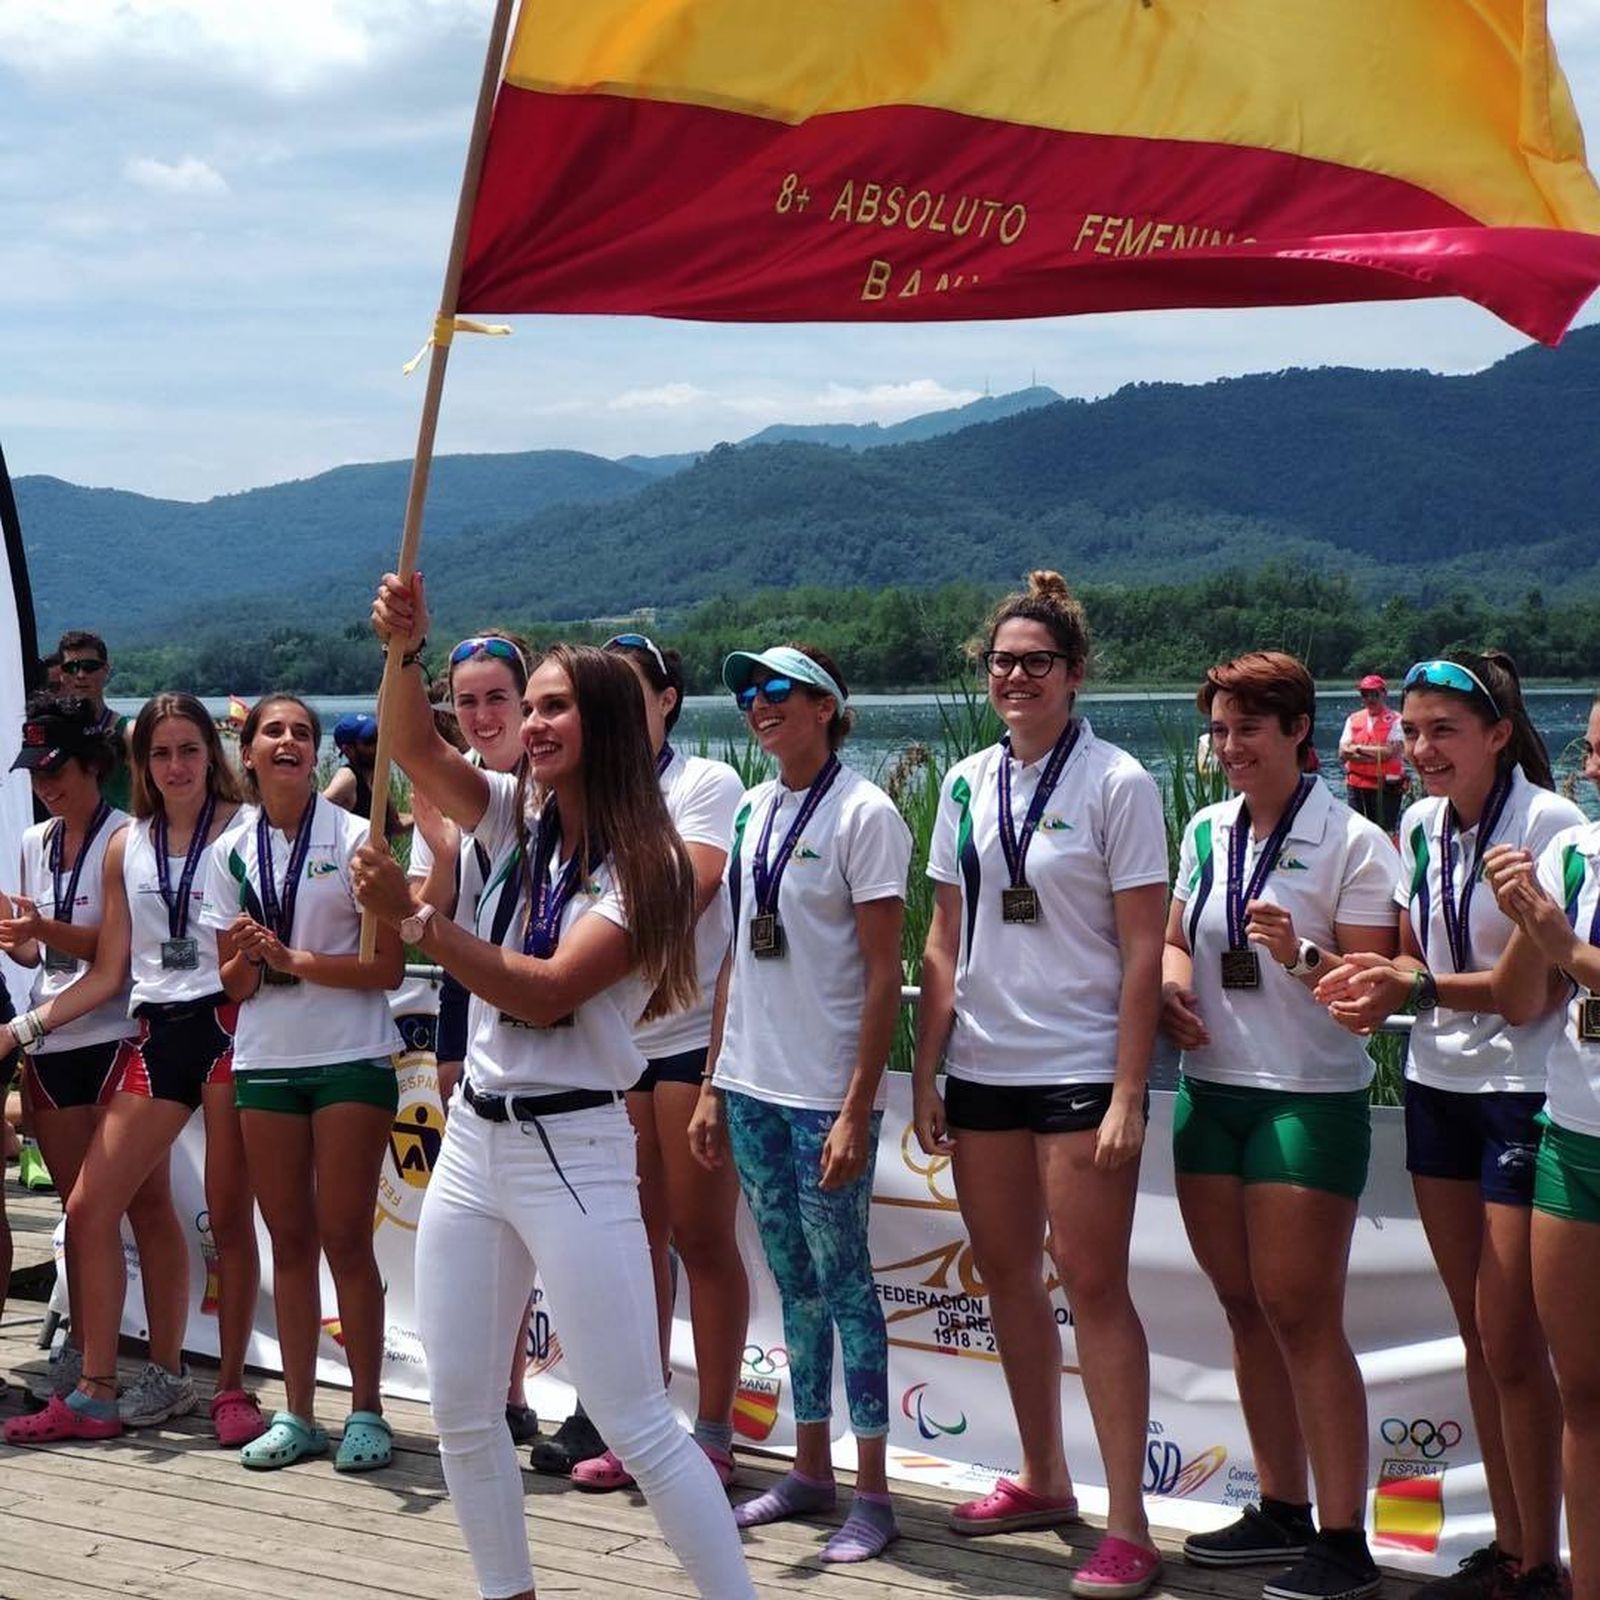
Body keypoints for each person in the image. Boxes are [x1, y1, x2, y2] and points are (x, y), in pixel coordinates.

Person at [358, 572, 758, 1600]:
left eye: (554, 705)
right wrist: (406, 648)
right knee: (459, 1411)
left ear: (610, 722)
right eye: (525, 704)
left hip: (575, 1152)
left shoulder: (651, 862)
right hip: (474, 1148)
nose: (530, 722)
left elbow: (542, 996)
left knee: (632, 1417)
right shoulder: (511, 817)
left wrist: (417, 924)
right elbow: (411, 746)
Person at [910, 573, 1167, 1597]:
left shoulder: (1118, 782)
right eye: (1001, 662)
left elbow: (1145, 952)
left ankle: (1132, 1523)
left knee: (1094, 1287)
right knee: (1008, 1276)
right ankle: (1043, 1477)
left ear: (1073, 673)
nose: (1015, 677)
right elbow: (941, 937)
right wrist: (925, 1067)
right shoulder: (967, 780)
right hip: (980, 1067)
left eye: (1035, 663)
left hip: (1076, 1070)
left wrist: (1127, 1090)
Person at [1317, 654, 1577, 1600]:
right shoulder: (1419, 824)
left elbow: (1523, 993)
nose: (1420, 751)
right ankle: (1510, 1551)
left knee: (1513, 1340)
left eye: (1444, 733)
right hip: (1434, 1084)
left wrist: (1413, 986)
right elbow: (1412, 962)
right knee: (1476, 1332)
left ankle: (1541, 1563)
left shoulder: (1551, 824)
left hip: (1522, 1092)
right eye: (1412, 732)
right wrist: (1339, 973)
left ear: (1499, 735)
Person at [1161, 652, 1399, 1600]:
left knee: (1303, 1313)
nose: (1228, 749)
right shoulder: (1207, 828)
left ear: (1299, 730)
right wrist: (1175, 996)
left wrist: (1299, 954)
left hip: (1307, 1096)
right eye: (1218, 732)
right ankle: (1281, 1509)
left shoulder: (1353, 841)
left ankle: (1345, 1541)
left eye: (1248, 730)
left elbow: (1371, 998)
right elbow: (1179, 939)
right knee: (1242, 1307)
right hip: (1210, 1091)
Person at [689, 642, 912, 1564]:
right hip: (752, 1090)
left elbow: (880, 975)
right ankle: (808, 1467)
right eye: (747, 693)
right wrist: (711, 1081)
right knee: (796, 1285)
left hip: (825, 1095)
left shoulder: (867, 813)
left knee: (850, 1285)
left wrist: (860, 1107)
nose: (758, 705)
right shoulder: (751, 809)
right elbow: (738, 952)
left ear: (827, 704)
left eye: (777, 690)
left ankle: (874, 1491)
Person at [1, 694, 263, 1445]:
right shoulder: (130, 845)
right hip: (155, 1031)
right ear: (141, 765)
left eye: (188, 750)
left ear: (211, 755)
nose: (176, 766)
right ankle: (96, 1389)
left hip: (225, 1023)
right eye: (161, 753)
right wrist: (25, 1000)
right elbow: (105, 963)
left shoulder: (244, 831)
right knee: (87, 1208)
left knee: (225, 1215)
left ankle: (228, 1388)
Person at [200, 693, 405, 1472]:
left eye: (302, 733)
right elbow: (232, 987)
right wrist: (250, 958)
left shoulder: (358, 839)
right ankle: (298, 1412)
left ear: (314, 755)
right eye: (273, 732)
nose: (288, 741)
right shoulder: (230, 850)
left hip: (351, 1056)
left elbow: (386, 969)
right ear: (247, 752)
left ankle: (367, 1410)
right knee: (287, 1239)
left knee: (346, 1235)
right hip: (267, 1062)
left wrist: (294, 961)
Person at [565, 632, 749, 1493]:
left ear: (666, 700)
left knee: (703, 1239)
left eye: (628, 691)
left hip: (686, 1042)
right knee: (634, 1244)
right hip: (610, 1047)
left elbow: (698, 886)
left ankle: (712, 1433)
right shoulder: (585, 788)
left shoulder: (704, 782)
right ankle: (637, 1422)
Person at [407, 636, 543, 1452]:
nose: (484, 715)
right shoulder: (455, 792)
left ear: (529, 703)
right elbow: (437, 913)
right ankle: (506, 1391)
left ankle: (600, 1407)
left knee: (548, 1223)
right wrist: (445, 844)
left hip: (555, 1019)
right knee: (486, 1220)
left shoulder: (557, 783)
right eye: (468, 702)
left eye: (499, 698)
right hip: (470, 1003)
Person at [1484, 691, 1600, 1600]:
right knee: (1585, 1395)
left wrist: (1566, 942)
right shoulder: (1576, 852)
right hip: (1574, 1137)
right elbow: (1525, 1002)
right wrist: (1526, 920)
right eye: (1589, 752)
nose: (1590, 771)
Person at [0, 696, 140, 1399]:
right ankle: (84, 1350)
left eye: (56, 770)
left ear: (93, 765)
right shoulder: (35, 842)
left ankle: (128, 1361)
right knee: (75, 1213)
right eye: (36, 773)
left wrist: (44, 934)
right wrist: (16, 933)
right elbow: (34, 957)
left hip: (109, 1036)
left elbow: (113, 957)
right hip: (50, 1046)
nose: (46, 785)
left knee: (118, 1212)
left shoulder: (125, 838)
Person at [55, 630, 134, 811]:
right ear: (62, 674)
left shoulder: (128, 732)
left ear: (106, 670)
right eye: (71, 667)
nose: (81, 674)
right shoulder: (55, 731)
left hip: (117, 833)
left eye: (89, 666)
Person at [1339, 674, 1405, 832]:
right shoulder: (1353, 719)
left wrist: (1357, 749)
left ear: (1384, 694)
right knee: (1357, 832)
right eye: (1365, 694)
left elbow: (1388, 753)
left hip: (1386, 787)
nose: (1370, 698)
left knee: (1384, 832)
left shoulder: (1396, 720)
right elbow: (1342, 753)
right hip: (1356, 787)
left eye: (1374, 694)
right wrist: (1375, 754)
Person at [324, 712, 403, 840]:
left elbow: (394, 826)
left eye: (380, 738)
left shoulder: (376, 778)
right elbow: (313, 812)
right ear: (348, 750)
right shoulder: (348, 778)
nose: (378, 746)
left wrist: (439, 820)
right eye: (370, 741)